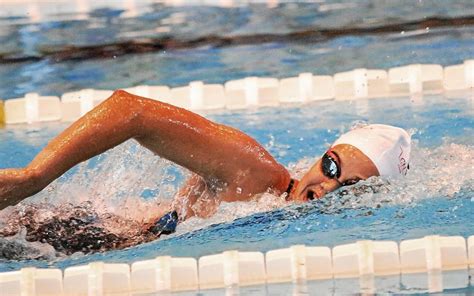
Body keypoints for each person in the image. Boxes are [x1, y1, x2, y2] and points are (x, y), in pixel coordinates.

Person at [0, 90, 411, 228]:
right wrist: (34, 176)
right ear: (323, 155)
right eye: (333, 168)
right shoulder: (256, 174)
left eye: (353, 188)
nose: (327, 187)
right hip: (78, 237)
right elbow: (131, 111)